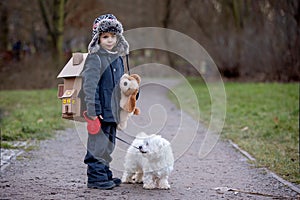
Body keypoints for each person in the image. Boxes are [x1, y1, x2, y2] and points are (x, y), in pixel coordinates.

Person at [81, 14, 129, 190]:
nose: (110, 40)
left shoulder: (117, 58)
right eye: (105, 36)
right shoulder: (96, 58)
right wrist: (93, 109)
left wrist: (131, 94)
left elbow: (121, 85)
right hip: (100, 111)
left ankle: (104, 173)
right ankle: (95, 178)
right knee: (97, 145)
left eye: (113, 36)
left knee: (108, 145)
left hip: (113, 112)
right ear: (97, 38)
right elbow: (90, 86)